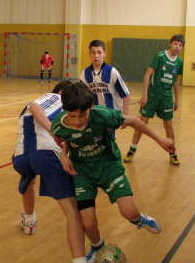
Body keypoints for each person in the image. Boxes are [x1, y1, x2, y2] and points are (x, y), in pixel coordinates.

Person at [51, 82, 175, 263]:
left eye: (82, 115)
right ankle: (97, 246)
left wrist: (160, 140)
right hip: (83, 174)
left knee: (128, 212)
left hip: (109, 167)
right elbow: (61, 140)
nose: (77, 121)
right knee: (88, 223)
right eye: (72, 116)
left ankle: (140, 220)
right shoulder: (58, 125)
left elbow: (133, 121)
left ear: (91, 107)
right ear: (64, 110)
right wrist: (63, 155)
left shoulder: (102, 115)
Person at [12, 80, 87, 263]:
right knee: (72, 209)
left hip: (20, 158)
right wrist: (53, 133)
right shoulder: (56, 97)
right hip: (44, 156)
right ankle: (81, 259)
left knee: (29, 181)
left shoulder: (61, 114)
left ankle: (29, 221)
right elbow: (35, 107)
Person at [123, 34, 185, 166]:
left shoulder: (179, 62)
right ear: (170, 43)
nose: (177, 47)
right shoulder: (160, 56)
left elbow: (176, 81)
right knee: (141, 123)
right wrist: (144, 94)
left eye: (180, 45)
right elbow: (147, 75)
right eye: (175, 44)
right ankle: (132, 149)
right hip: (152, 96)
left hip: (166, 98)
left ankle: (172, 153)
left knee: (168, 125)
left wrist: (177, 99)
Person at [79, 40, 130, 119]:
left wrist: (125, 115)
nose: (96, 56)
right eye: (93, 52)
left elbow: (125, 94)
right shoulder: (85, 74)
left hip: (111, 115)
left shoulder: (112, 72)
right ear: (89, 54)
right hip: (94, 115)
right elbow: (81, 96)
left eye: (99, 52)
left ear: (104, 54)